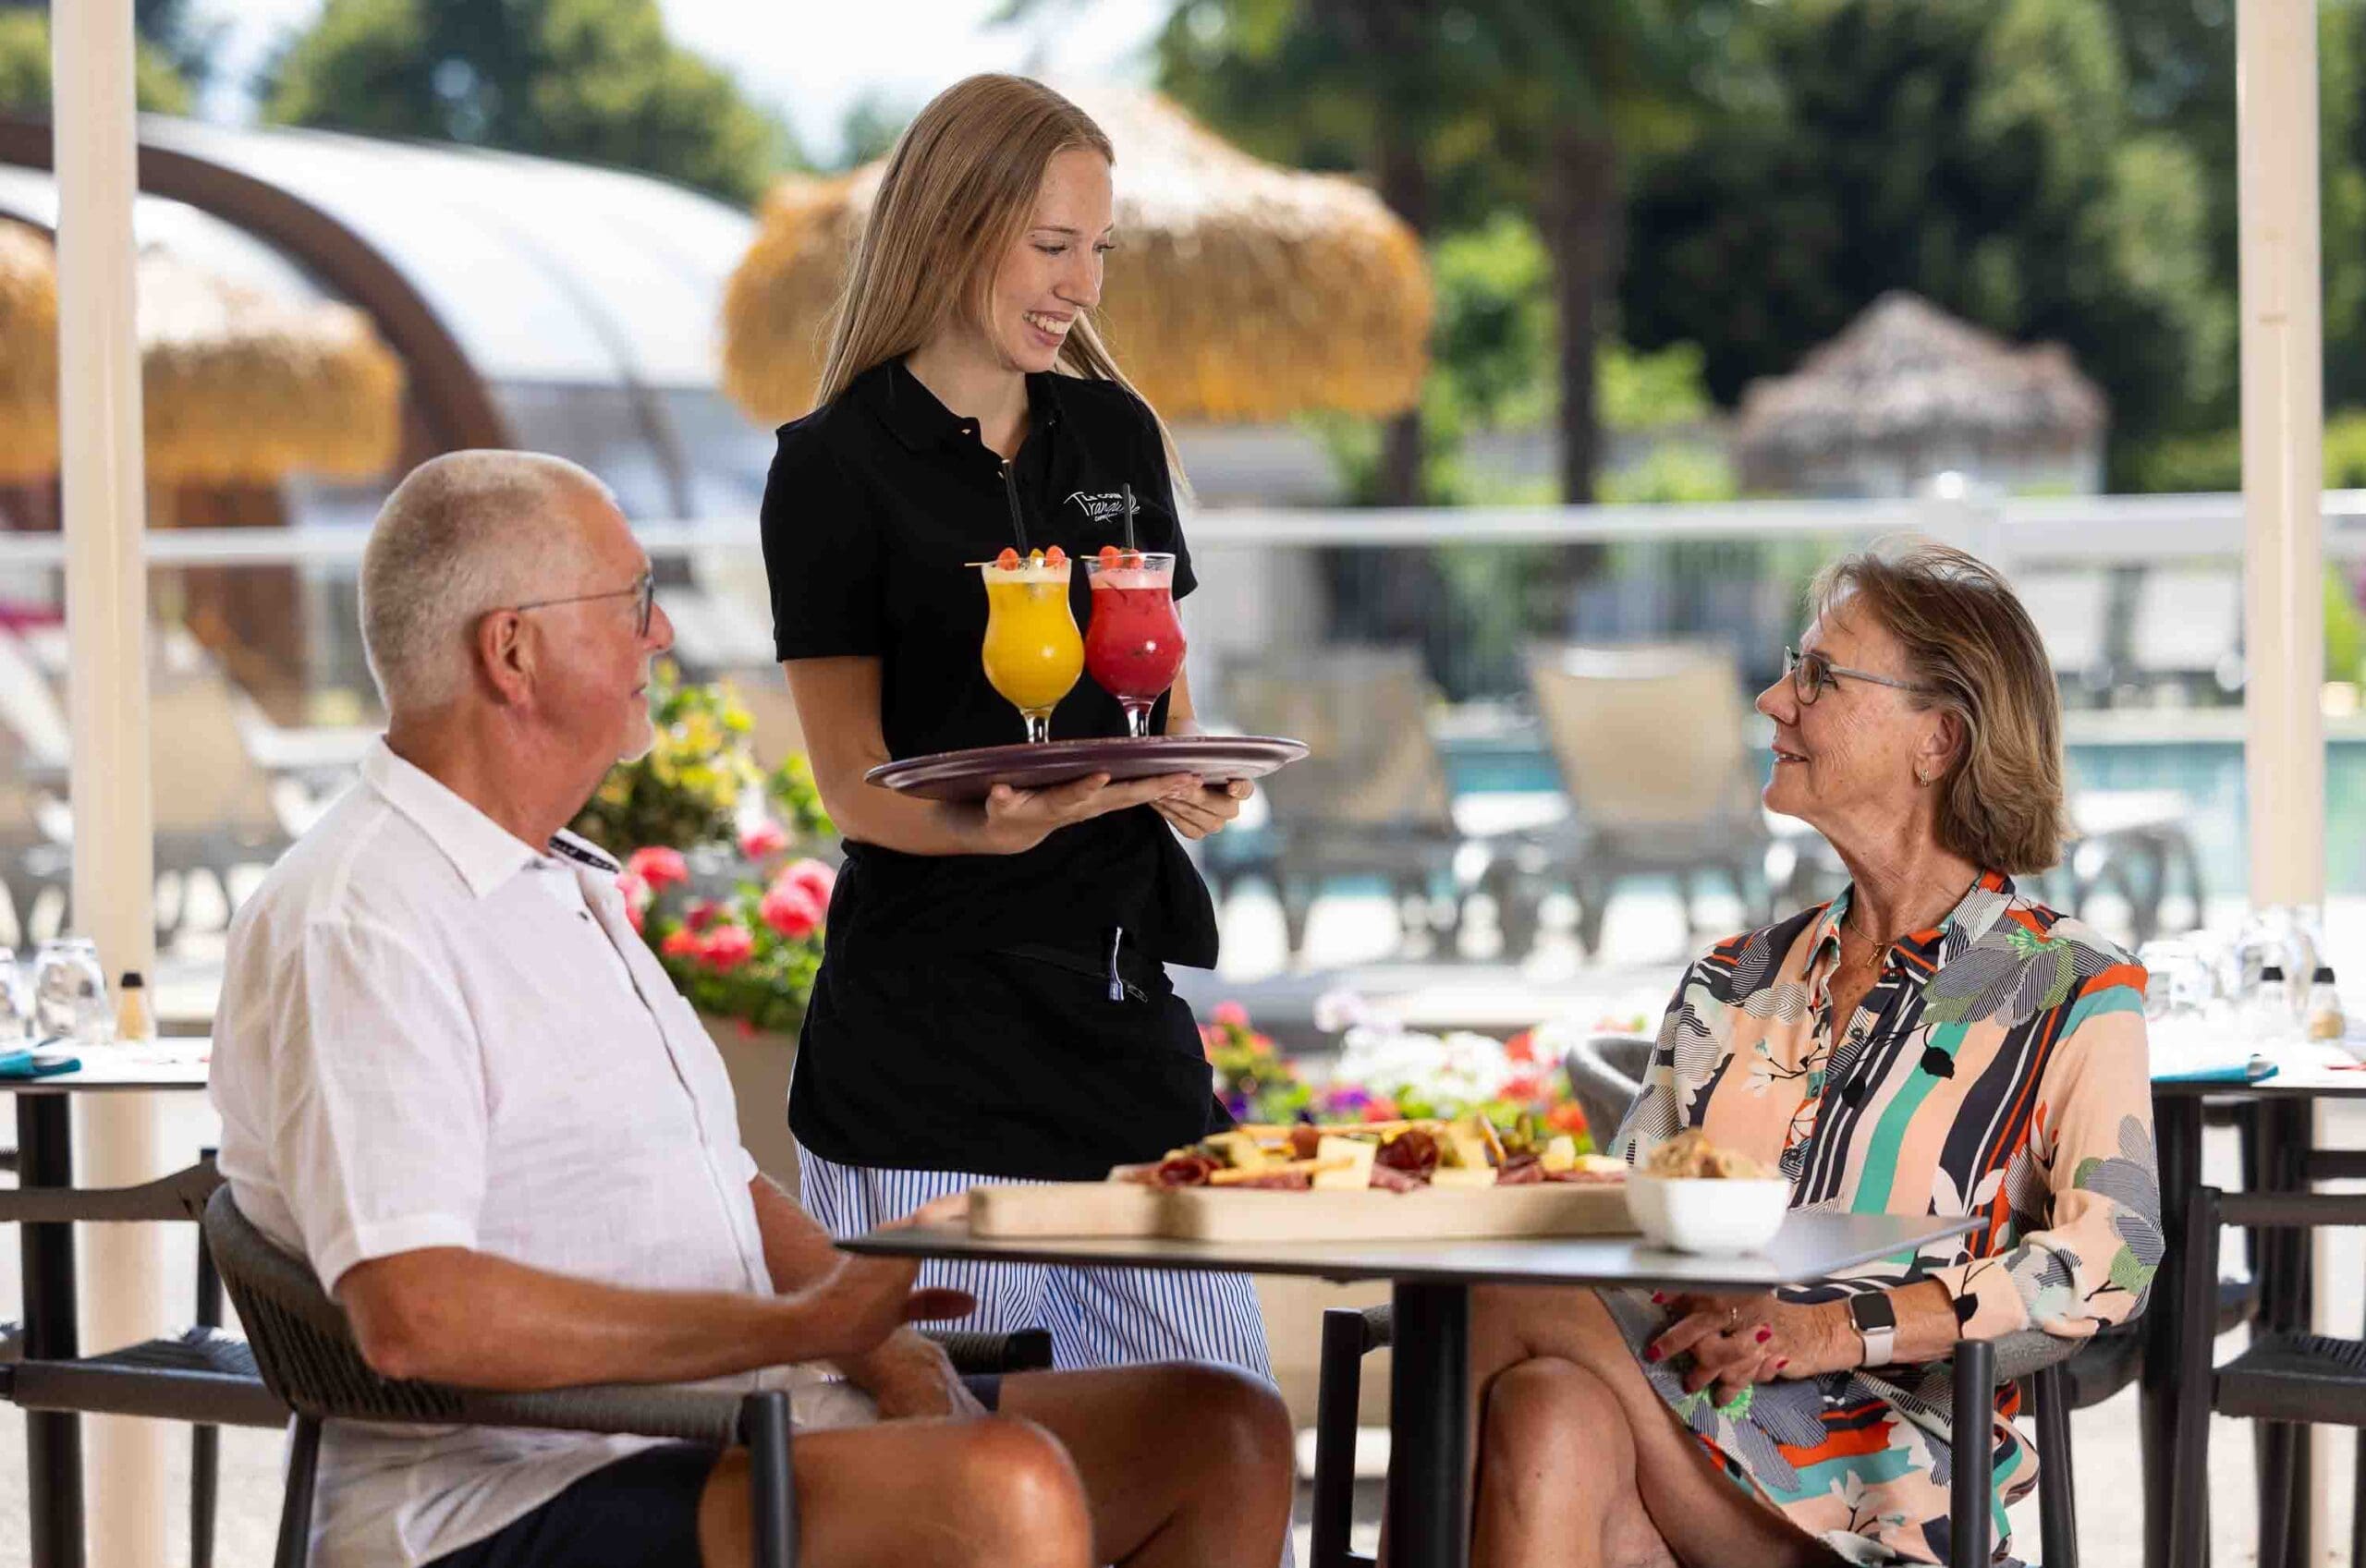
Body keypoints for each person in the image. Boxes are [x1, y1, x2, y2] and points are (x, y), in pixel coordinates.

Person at [210, 451, 1293, 1568]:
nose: (662, 634)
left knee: (1221, 1432)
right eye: (631, 601)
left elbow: (718, 1181)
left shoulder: (550, 881)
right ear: (513, 649)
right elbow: (415, 1312)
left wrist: (888, 1352)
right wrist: (783, 1330)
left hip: (736, 1417)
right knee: (995, 1493)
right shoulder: (366, 917)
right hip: (510, 1488)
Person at [1458, 541, 2158, 1568]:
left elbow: (2113, 1258)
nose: (1772, 699)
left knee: (1501, 1300)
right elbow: (1640, 1208)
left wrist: (1828, 1329)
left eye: (1820, 677)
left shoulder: (2066, 983)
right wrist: (1559, 1192)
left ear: (1938, 739)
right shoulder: (1734, 977)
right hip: (1692, 1402)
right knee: (1548, 1413)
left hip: (1881, 1466)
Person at [760, 76, 1274, 1387]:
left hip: (1117, 1038)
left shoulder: (1115, 433)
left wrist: (1195, 784)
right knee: (941, 1474)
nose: (1083, 285)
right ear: (952, 226)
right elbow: (852, 785)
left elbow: (1162, 704)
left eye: (1098, 251)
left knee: (1226, 1424)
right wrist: (988, 833)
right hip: (924, 1058)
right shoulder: (831, 468)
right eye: (1054, 247)